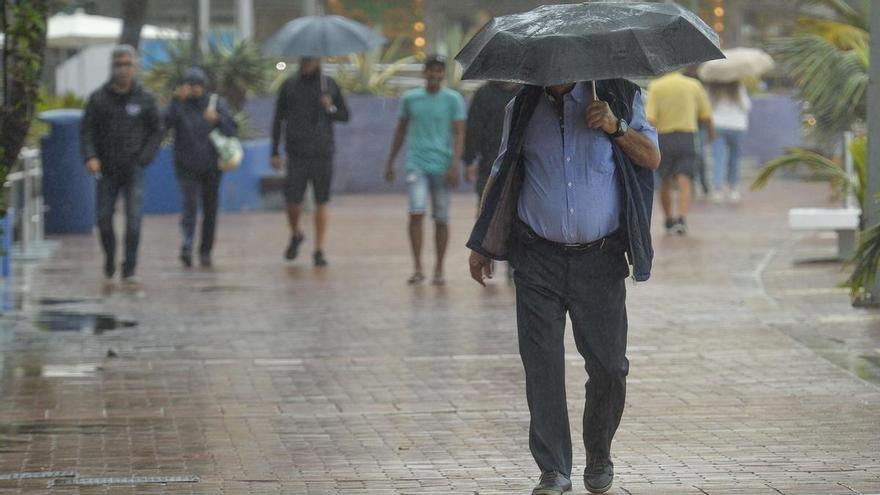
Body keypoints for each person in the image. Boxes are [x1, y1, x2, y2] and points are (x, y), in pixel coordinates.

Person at [468, 79, 660, 495]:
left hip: (601, 258)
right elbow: (501, 170)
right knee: (542, 367)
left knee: (609, 366)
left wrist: (616, 126)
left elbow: (651, 156)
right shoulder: (520, 106)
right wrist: (481, 239)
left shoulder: (620, 95)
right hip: (537, 258)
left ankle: (598, 453)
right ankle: (554, 468)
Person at [81, 45, 163, 283]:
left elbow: (157, 131)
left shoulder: (145, 99)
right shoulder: (98, 98)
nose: (124, 70)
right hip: (106, 169)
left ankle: (130, 267)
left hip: (134, 167)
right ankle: (109, 258)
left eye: (128, 64)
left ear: (135, 67)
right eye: (119, 64)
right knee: (104, 219)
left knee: (134, 221)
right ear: (112, 67)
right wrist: (90, 156)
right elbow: (87, 131)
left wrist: (145, 156)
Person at [384, 55, 466, 285]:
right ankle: (418, 266)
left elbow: (460, 133)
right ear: (424, 73)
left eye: (439, 71)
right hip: (416, 165)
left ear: (443, 74)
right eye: (431, 70)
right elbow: (400, 131)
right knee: (416, 213)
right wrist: (390, 161)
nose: (435, 75)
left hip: (442, 165)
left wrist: (455, 164)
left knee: (441, 218)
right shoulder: (411, 99)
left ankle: (439, 267)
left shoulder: (453, 99)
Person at [271, 57, 350, 266]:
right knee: (292, 201)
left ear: (318, 60)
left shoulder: (329, 85)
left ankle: (319, 249)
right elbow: (278, 120)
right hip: (296, 153)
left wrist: (330, 107)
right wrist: (275, 152)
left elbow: (344, 115)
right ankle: (296, 234)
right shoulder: (289, 85)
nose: (307, 62)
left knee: (321, 200)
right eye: (304, 58)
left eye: (311, 59)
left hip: (322, 152)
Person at [164, 68, 238, 268]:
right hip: (186, 165)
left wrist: (218, 119)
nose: (192, 89)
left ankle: (205, 250)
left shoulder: (215, 104)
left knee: (210, 210)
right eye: (188, 85)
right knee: (189, 206)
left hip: (211, 166)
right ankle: (187, 246)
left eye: (196, 85)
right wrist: (175, 101)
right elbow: (164, 124)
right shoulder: (179, 105)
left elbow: (232, 129)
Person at [646, 71, 715, 235]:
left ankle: (669, 219)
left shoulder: (656, 86)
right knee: (685, 179)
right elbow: (706, 114)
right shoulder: (693, 85)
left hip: (664, 138)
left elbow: (650, 117)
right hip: (687, 137)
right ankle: (682, 219)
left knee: (665, 180)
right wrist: (711, 133)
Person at [463, 81, 520, 203]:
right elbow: (474, 127)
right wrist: (470, 160)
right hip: (489, 161)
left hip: (521, 161)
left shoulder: (527, 92)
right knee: (487, 207)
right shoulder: (484, 93)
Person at [707, 81, 751, 203]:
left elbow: (707, 107)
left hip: (718, 125)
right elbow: (747, 106)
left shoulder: (713, 87)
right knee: (734, 158)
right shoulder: (738, 86)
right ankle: (733, 188)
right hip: (736, 126)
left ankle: (717, 190)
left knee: (718, 157)